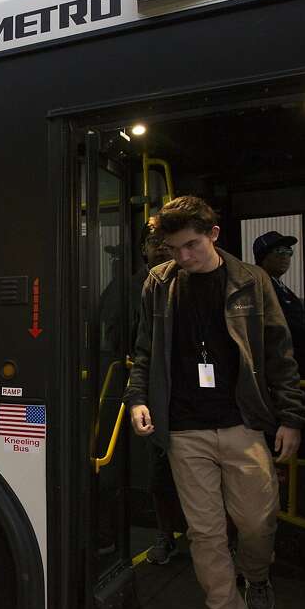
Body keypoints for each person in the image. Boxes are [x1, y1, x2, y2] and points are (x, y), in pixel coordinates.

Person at [124, 196, 305, 609]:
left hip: (243, 422)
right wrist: (138, 399)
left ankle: (257, 577)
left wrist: (290, 418)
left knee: (256, 521)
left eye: (191, 245)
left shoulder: (251, 281)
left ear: (214, 234)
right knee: (205, 533)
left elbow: (280, 356)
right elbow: (143, 350)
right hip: (185, 429)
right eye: (173, 248)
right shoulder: (159, 285)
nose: (182, 257)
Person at [133, 221, 186, 565]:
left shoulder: (191, 282)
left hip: (194, 399)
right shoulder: (135, 287)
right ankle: (165, 536)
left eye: (167, 240)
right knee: (161, 478)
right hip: (157, 399)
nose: (162, 246)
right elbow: (140, 350)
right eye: (154, 241)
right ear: (144, 249)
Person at [253, 230, 305, 378]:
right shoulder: (258, 287)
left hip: (293, 362)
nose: (286, 256)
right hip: (276, 367)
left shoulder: (282, 288)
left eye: (288, 251)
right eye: (279, 251)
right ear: (263, 256)